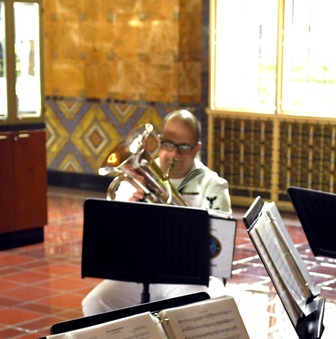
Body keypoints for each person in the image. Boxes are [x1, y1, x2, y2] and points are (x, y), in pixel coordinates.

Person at [81, 109, 232, 316]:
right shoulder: (135, 180)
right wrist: (131, 209)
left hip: (188, 275)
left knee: (199, 306)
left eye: (184, 148)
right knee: (95, 302)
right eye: (168, 144)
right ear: (159, 141)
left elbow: (217, 247)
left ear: (197, 148)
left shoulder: (212, 184)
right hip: (141, 271)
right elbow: (117, 239)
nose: (174, 154)